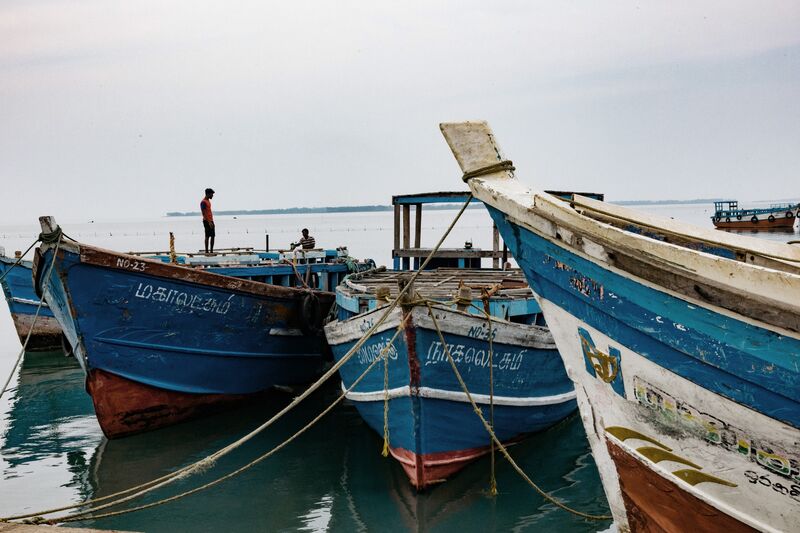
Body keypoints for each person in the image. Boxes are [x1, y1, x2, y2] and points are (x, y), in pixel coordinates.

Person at [201, 188, 215, 254]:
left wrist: (211, 221)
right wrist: (209, 222)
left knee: (213, 235)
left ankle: (211, 251)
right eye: (212, 194)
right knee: (207, 236)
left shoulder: (208, 201)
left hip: (211, 220)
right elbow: (203, 212)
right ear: (208, 194)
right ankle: (206, 251)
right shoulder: (203, 202)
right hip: (206, 221)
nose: (212, 195)